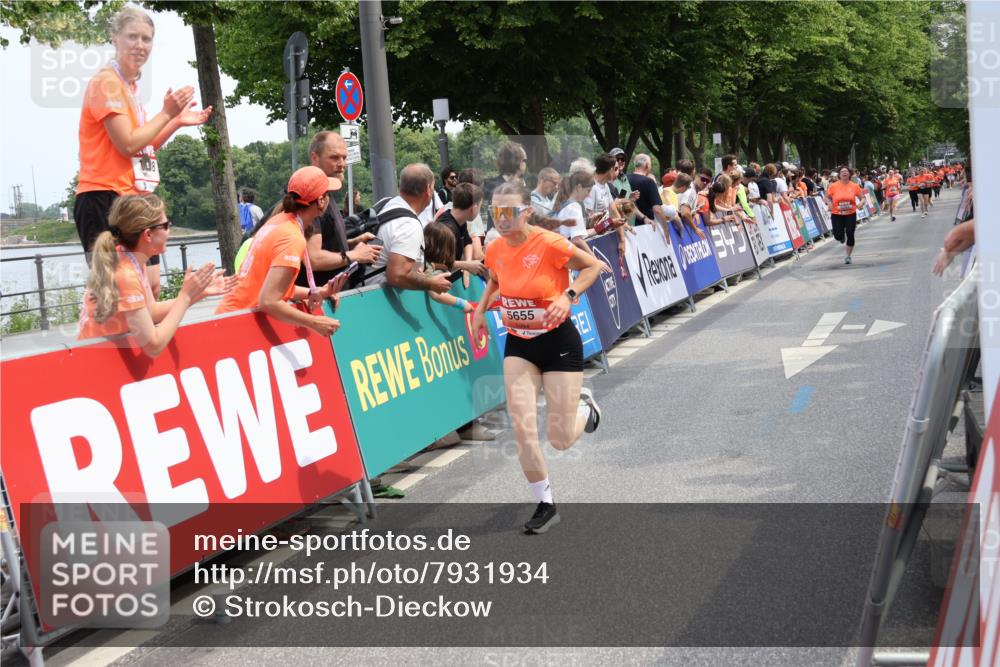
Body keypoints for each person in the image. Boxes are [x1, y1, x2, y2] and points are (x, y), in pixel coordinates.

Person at [471, 182, 604, 534]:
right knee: (523, 429)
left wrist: (569, 294)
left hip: (558, 341)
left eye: (509, 212)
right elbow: (495, 279)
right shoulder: (496, 247)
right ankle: (546, 504)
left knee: (560, 439)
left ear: (526, 211)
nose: (500, 219)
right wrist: (480, 312)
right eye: (495, 212)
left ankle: (585, 409)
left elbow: (592, 267)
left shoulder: (548, 243)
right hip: (519, 344)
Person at [75, 6, 212, 298]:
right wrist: (166, 113)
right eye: (132, 37)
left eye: (146, 39)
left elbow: (142, 147)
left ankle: (150, 341)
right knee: (119, 294)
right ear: (115, 38)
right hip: (103, 195)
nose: (140, 45)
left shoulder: (130, 87)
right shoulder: (106, 83)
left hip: (132, 197)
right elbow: (128, 143)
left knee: (151, 285)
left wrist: (175, 121)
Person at [78, 193, 235, 356]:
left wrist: (198, 293)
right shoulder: (126, 274)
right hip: (94, 361)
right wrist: (185, 296)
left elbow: (151, 311)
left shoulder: (131, 258)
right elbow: (153, 346)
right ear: (147, 234)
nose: (169, 231)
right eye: (166, 225)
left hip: (100, 358)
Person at [216, 166, 343, 337]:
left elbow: (268, 286)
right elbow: (268, 301)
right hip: (237, 324)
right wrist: (315, 323)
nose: (329, 199)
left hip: (231, 316)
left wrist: (312, 292)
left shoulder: (280, 221)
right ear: (321, 201)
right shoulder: (292, 237)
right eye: (328, 194)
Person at [298, 131, 381, 289]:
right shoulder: (310, 196)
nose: (342, 164)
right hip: (315, 301)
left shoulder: (326, 193)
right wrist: (354, 255)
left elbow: (324, 246)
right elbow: (313, 258)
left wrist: (350, 243)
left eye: (344, 157)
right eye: (334, 157)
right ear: (315, 158)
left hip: (329, 298)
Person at [366, 164, 452, 293]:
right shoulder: (409, 225)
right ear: (428, 189)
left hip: (363, 288)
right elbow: (397, 275)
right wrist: (431, 283)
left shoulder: (387, 203)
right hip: (376, 297)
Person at [435, 183, 487, 275]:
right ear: (474, 208)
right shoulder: (446, 229)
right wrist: (465, 265)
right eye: (480, 206)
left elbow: (467, 242)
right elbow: (435, 262)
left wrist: (468, 262)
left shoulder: (460, 221)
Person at [824, 166, 865, 265]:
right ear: (839, 174)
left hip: (850, 213)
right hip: (837, 214)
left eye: (846, 171)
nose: (844, 173)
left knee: (850, 233)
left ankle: (848, 256)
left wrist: (861, 203)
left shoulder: (854, 186)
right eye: (842, 171)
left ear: (849, 174)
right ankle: (841, 238)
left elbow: (862, 197)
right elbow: (826, 198)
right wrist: (829, 203)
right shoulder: (833, 186)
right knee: (838, 235)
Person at [627, 154, 671, 228]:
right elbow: (657, 209)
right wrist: (665, 228)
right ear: (647, 165)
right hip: (647, 226)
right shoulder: (649, 182)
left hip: (628, 225)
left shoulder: (625, 179)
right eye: (650, 164)